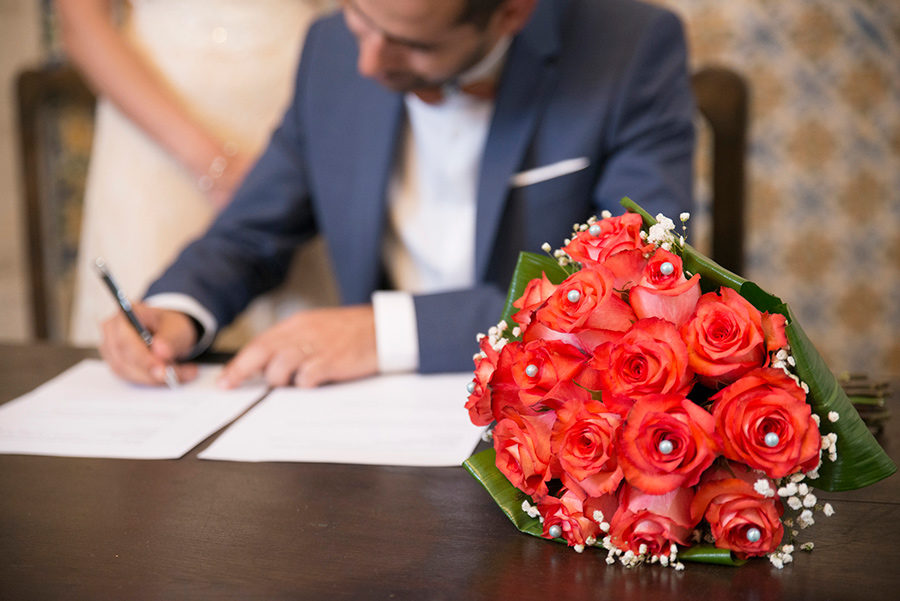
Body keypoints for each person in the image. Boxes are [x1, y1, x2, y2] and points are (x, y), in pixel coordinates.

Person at [99, 0, 697, 389]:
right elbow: (253, 228)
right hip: (366, 423)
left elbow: (635, 286)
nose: (366, 62)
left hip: (547, 415)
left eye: (415, 46)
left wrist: (386, 333)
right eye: (360, 18)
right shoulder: (330, 47)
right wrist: (179, 309)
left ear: (513, 12)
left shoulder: (632, 48)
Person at [60, 0, 338, 350]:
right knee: (149, 340)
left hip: (300, 97)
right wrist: (211, 163)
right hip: (156, 125)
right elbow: (82, 25)